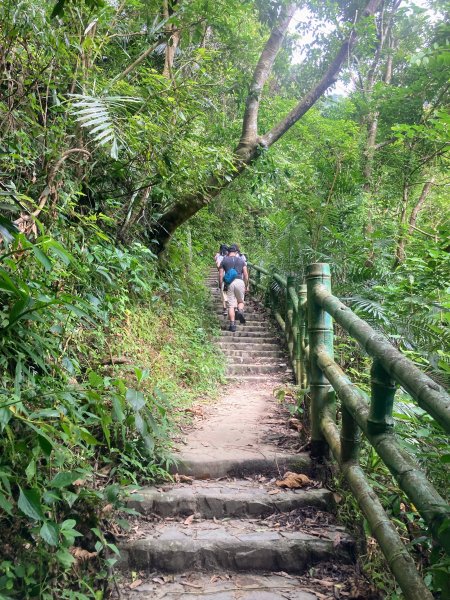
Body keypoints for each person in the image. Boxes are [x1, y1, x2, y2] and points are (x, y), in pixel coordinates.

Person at [219, 244, 249, 332]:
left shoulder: (224, 260)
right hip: (240, 281)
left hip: (229, 283)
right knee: (240, 301)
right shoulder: (241, 260)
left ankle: (232, 325)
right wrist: (246, 285)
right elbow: (246, 274)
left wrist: (221, 285)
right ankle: (240, 310)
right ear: (236, 252)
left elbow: (221, 274)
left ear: (228, 252)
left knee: (231, 305)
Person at [214, 244, 229, 314]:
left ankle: (225, 308)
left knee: (223, 292)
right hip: (230, 276)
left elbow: (217, 265)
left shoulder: (219, 256)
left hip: (222, 275)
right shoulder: (229, 257)